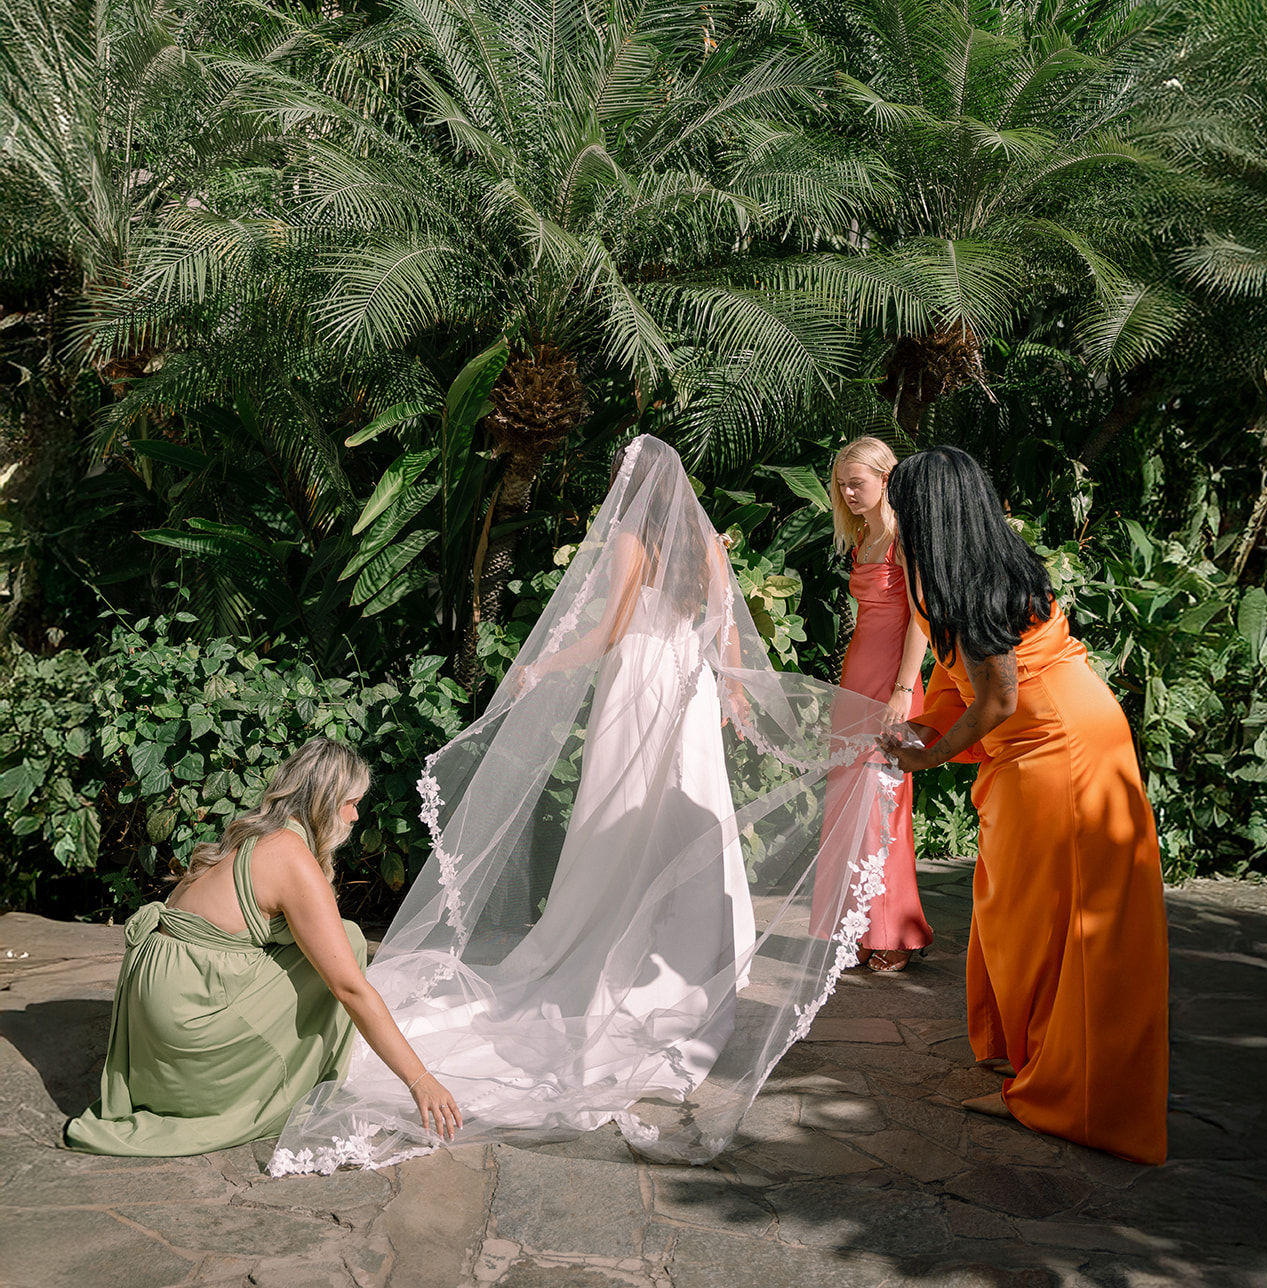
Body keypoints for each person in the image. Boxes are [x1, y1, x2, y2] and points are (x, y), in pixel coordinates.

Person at [270, 436, 897, 1175]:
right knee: (680, 820)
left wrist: (541, 664)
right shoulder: (707, 541)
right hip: (689, 692)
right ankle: (703, 961)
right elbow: (728, 628)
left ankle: (614, 944)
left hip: (637, 688)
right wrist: (728, 691)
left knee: (622, 826)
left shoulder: (635, 538)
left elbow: (606, 635)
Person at [881, 447, 1169, 1165]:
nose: (894, 512)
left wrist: (930, 754)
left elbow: (1000, 696)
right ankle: (1033, 1056)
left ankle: (1066, 1091)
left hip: (1059, 750)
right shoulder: (963, 562)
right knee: (1018, 908)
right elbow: (966, 680)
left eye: (901, 499)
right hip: (1048, 737)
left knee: (1059, 919)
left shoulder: (969, 575)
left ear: (930, 510)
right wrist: (921, 723)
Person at [66, 738, 461, 1157]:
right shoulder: (290, 856)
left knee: (331, 939)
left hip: (161, 997)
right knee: (344, 943)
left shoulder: (252, 830)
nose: (355, 815)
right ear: (323, 802)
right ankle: (277, 1081)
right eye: (350, 802)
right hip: (189, 1018)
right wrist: (420, 1080)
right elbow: (349, 989)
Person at [810, 437, 933, 971]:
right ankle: (857, 928)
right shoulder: (862, 536)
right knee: (847, 804)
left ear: (887, 479)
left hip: (892, 683)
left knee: (885, 805)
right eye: (841, 484)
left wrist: (903, 692)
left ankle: (895, 933)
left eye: (856, 482)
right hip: (856, 679)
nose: (847, 492)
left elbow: (921, 622)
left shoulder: (906, 538)